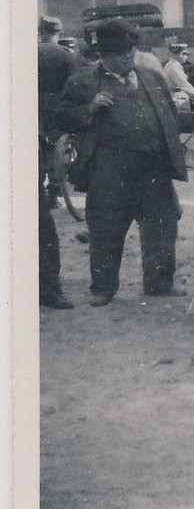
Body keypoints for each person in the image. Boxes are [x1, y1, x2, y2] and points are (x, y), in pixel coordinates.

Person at [57, 19, 189, 305]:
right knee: (106, 229)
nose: (127, 56)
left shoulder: (152, 77)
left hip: (154, 170)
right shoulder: (84, 81)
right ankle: (103, 288)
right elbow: (62, 116)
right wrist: (90, 108)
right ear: (103, 55)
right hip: (110, 172)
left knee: (162, 228)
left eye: (129, 50)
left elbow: (170, 114)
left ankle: (160, 283)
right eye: (118, 52)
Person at [38, 17, 80, 309]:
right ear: (58, 33)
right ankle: (49, 290)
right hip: (53, 118)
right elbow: (75, 89)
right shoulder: (63, 55)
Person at [161, 39, 194, 108]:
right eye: (183, 54)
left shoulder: (170, 65)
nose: (186, 56)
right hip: (178, 100)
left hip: (173, 99)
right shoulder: (174, 67)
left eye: (186, 54)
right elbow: (185, 85)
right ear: (175, 55)